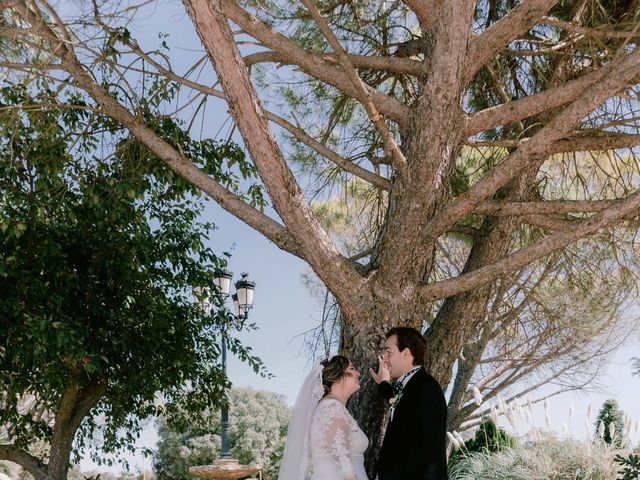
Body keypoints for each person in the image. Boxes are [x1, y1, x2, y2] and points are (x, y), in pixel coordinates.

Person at [370, 326, 448, 480]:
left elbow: (425, 451)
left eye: (389, 352)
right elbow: (403, 404)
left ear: (405, 353)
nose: (384, 359)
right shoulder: (412, 386)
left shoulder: (426, 388)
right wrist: (384, 384)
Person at [278, 355, 369, 480]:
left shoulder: (333, 408)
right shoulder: (332, 408)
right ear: (337, 377)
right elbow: (345, 468)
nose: (358, 373)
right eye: (352, 369)